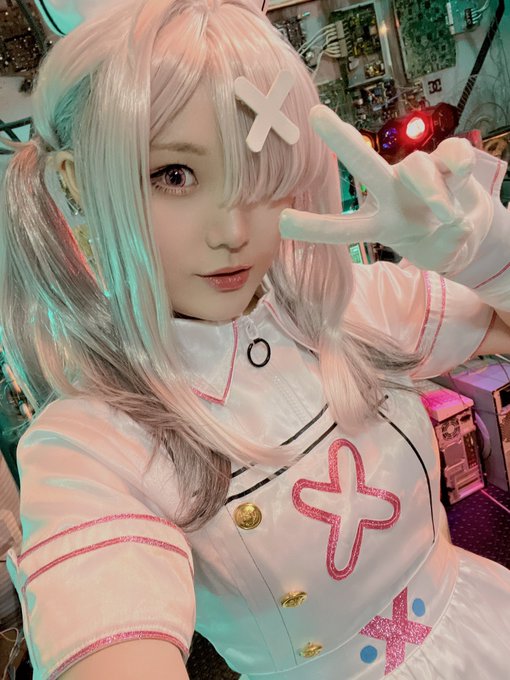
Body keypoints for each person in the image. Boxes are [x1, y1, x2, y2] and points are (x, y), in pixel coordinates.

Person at [0, 1, 509, 678]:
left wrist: (488, 257)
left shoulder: (350, 307)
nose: (233, 231)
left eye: (261, 174)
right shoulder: (91, 446)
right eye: (173, 175)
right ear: (77, 186)